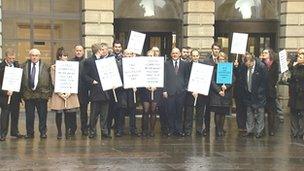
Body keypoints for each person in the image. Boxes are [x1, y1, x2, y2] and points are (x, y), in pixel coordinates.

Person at [21, 49, 52, 139]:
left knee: (43, 116)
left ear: (39, 56)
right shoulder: (23, 66)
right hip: (28, 95)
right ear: (29, 56)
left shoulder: (47, 66)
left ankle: (43, 132)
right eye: (32, 55)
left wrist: (49, 93)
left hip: (42, 95)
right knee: (29, 116)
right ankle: (30, 133)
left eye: (36, 55)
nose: (34, 57)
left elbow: (51, 80)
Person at [50, 48, 80, 139]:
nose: (66, 58)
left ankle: (67, 131)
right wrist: (60, 93)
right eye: (64, 56)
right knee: (58, 114)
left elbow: (74, 80)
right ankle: (59, 132)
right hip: (58, 93)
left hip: (70, 93)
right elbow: (53, 81)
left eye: (67, 56)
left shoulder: (71, 66)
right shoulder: (54, 67)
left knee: (69, 113)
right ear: (59, 56)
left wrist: (69, 92)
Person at [83, 43, 111, 139]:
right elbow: (84, 75)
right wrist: (92, 81)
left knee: (104, 114)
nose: (104, 51)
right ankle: (92, 131)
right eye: (102, 49)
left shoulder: (106, 61)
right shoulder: (89, 61)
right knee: (94, 114)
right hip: (95, 91)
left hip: (105, 91)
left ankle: (104, 131)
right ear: (99, 51)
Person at [163, 48, 189, 136]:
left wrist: (185, 88)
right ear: (171, 54)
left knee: (179, 112)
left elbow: (187, 77)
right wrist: (164, 90)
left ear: (180, 54)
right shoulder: (166, 64)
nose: (175, 55)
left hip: (181, 92)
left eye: (176, 53)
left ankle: (179, 129)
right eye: (173, 53)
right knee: (170, 111)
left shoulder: (185, 64)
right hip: (170, 92)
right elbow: (164, 78)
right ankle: (171, 129)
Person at [241, 52, 267, 138]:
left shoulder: (261, 67)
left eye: (248, 64)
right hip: (248, 93)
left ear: (252, 61)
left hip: (259, 94)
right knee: (249, 113)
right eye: (245, 64)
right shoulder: (244, 67)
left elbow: (265, 82)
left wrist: (260, 92)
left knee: (260, 113)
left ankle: (259, 131)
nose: (247, 66)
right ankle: (250, 130)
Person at [183, 49, 209, 136]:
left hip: (201, 93)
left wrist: (201, 89)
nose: (195, 57)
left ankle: (199, 130)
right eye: (193, 56)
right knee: (189, 113)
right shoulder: (187, 66)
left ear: (199, 56)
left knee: (200, 113)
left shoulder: (203, 66)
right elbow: (185, 79)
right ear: (191, 56)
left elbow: (205, 79)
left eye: (196, 55)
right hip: (190, 93)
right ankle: (188, 130)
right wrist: (191, 90)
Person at [0, 49, 23, 141]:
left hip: (15, 95)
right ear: (6, 57)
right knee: (5, 114)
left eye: (13, 58)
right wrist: (5, 91)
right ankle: (2, 133)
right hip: (5, 96)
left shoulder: (17, 65)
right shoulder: (1, 67)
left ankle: (14, 131)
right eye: (10, 58)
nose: (12, 60)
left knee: (15, 114)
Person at [138, 49, 162, 137]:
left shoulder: (159, 65)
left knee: (153, 110)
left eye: (152, 55)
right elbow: (139, 76)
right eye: (148, 55)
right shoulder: (142, 65)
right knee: (145, 110)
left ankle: (152, 130)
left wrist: (156, 86)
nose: (150, 57)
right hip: (145, 90)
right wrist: (145, 85)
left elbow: (161, 77)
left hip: (156, 90)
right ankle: (144, 130)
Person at [209, 52, 234, 137]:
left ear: (225, 59)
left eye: (223, 59)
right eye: (220, 59)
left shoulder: (229, 68)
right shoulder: (214, 68)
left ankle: (221, 128)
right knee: (217, 112)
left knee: (223, 112)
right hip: (216, 94)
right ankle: (217, 129)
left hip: (226, 93)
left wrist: (226, 87)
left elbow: (233, 79)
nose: (221, 60)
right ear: (217, 60)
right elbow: (212, 82)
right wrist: (219, 90)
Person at [203, 43, 221, 136]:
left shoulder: (222, 60)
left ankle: (219, 128)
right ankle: (207, 128)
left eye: (218, 49)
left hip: (220, 89)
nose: (216, 50)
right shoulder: (206, 61)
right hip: (209, 89)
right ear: (212, 50)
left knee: (219, 110)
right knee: (208, 110)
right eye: (215, 49)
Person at [71, 45, 90, 136]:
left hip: (84, 90)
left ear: (83, 51)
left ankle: (84, 128)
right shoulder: (70, 62)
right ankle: (72, 128)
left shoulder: (87, 62)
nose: (78, 52)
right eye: (77, 50)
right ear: (75, 51)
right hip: (73, 91)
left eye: (80, 50)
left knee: (84, 111)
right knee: (72, 111)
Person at [260, 48, 279, 136]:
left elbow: (275, 78)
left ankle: (271, 129)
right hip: (262, 91)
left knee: (271, 112)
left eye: (265, 53)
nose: (263, 54)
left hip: (271, 92)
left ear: (270, 54)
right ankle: (261, 129)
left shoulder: (275, 64)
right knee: (261, 112)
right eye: (263, 52)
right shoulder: (260, 64)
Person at [288, 48, 304, 140]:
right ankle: (294, 132)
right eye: (298, 56)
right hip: (294, 94)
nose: (299, 57)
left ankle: (301, 133)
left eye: (301, 56)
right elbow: (290, 77)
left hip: (302, 94)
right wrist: (293, 66)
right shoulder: (294, 66)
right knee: (293, 114)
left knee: (302, 114)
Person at [233, 54, 247, 132]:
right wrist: (236, 67)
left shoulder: (248, 66)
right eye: (243, 57)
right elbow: (235, 76)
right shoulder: (238, 66)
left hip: (246, 92)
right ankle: (240, 125)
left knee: (245, 109)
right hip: (238, 91)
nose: (244, 58)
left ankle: (245, 124)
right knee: (239, 109)